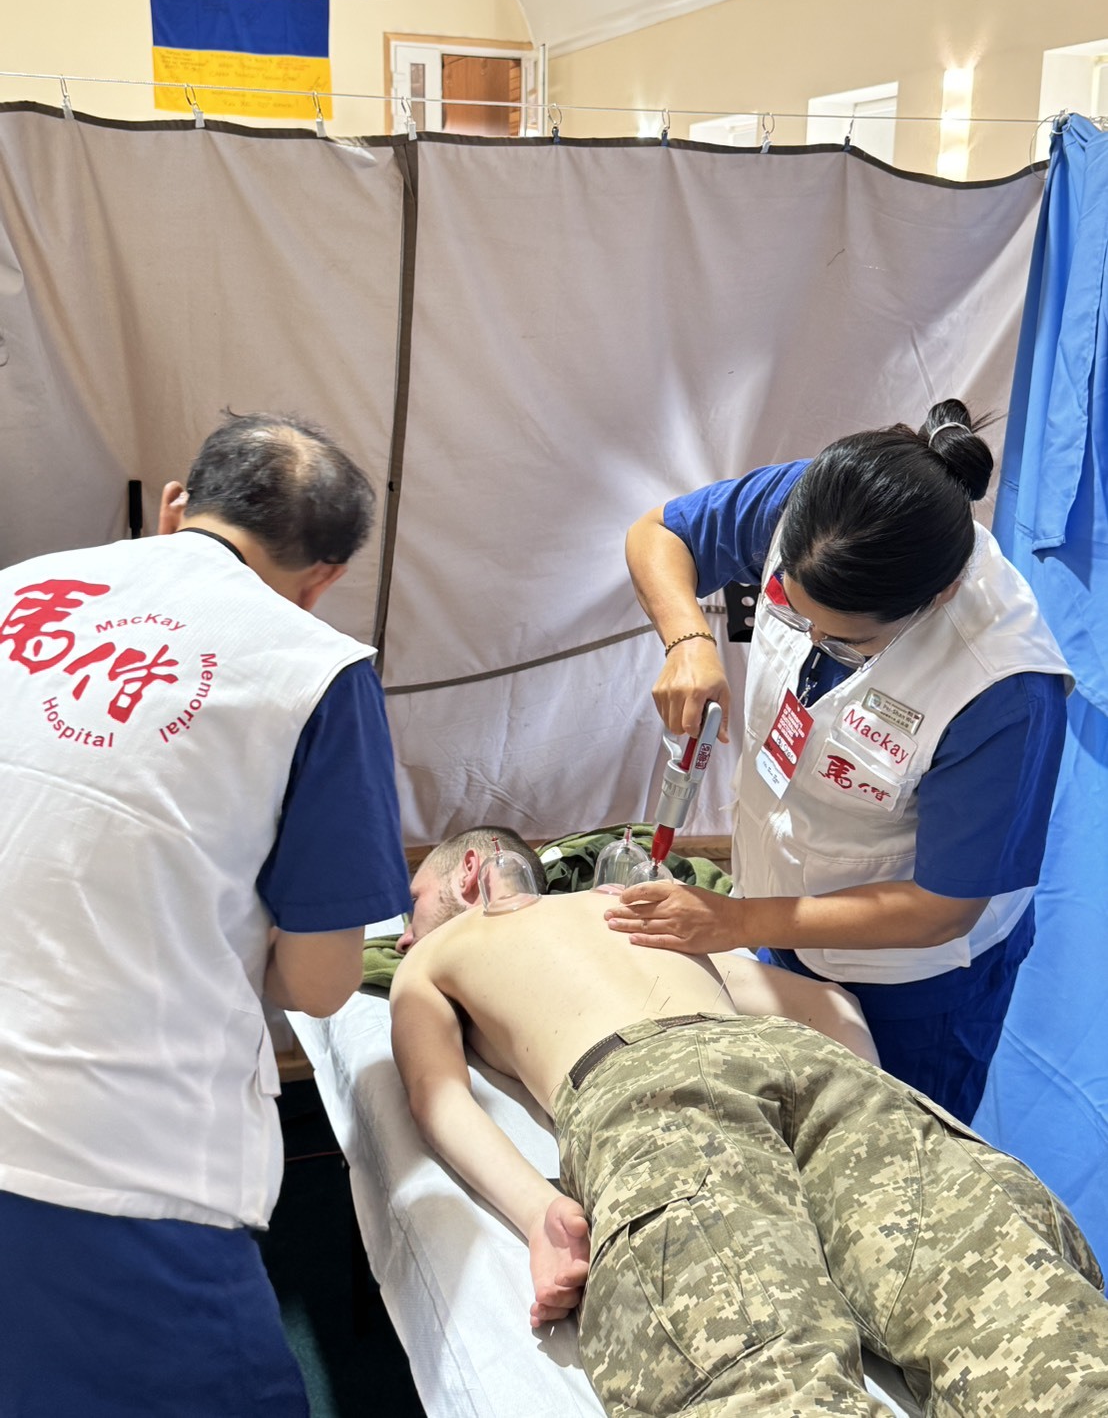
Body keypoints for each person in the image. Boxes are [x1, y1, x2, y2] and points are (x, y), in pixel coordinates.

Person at [391, 831, 1108, 1418]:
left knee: (752, 1372)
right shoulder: (629, 914)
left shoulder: (435, 955)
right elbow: (833, 1008)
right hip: (809, 1066)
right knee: (1018, 1310)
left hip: (652, 1091)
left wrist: (543, 1210)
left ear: (471, 870)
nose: (399, 937)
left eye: (410, 904)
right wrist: (862, 1111)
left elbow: (437, 1095)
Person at [0, 411, 412, 1417]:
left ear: (177, 505)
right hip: (101, 1149)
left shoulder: (18, 589)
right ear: (324, 577)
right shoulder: (318, 668)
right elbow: (319, 982)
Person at [611, 398, 1071, 1121]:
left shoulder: (1002, 687)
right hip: (775, 907)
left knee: (890, 1153)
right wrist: (687, 637)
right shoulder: (819, 511)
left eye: (846, 643)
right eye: (795, 615)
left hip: (910, 982)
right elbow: (656, 533)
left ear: (938, 597)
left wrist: (737, 922)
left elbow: (940, 908)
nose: (810, 640)